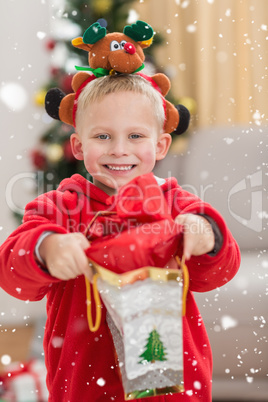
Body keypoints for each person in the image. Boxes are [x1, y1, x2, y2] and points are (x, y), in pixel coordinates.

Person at [0, 74, 240, 401]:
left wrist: (205, 234)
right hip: (84, 385)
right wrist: (46, 247)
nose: (119, 150)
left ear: (160, 145)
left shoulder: (177, 204)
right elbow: (13, 275)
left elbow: (221, 270)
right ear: (79, 146)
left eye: (135, 135)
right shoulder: (59, 209)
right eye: (103, 136)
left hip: (174, 388)